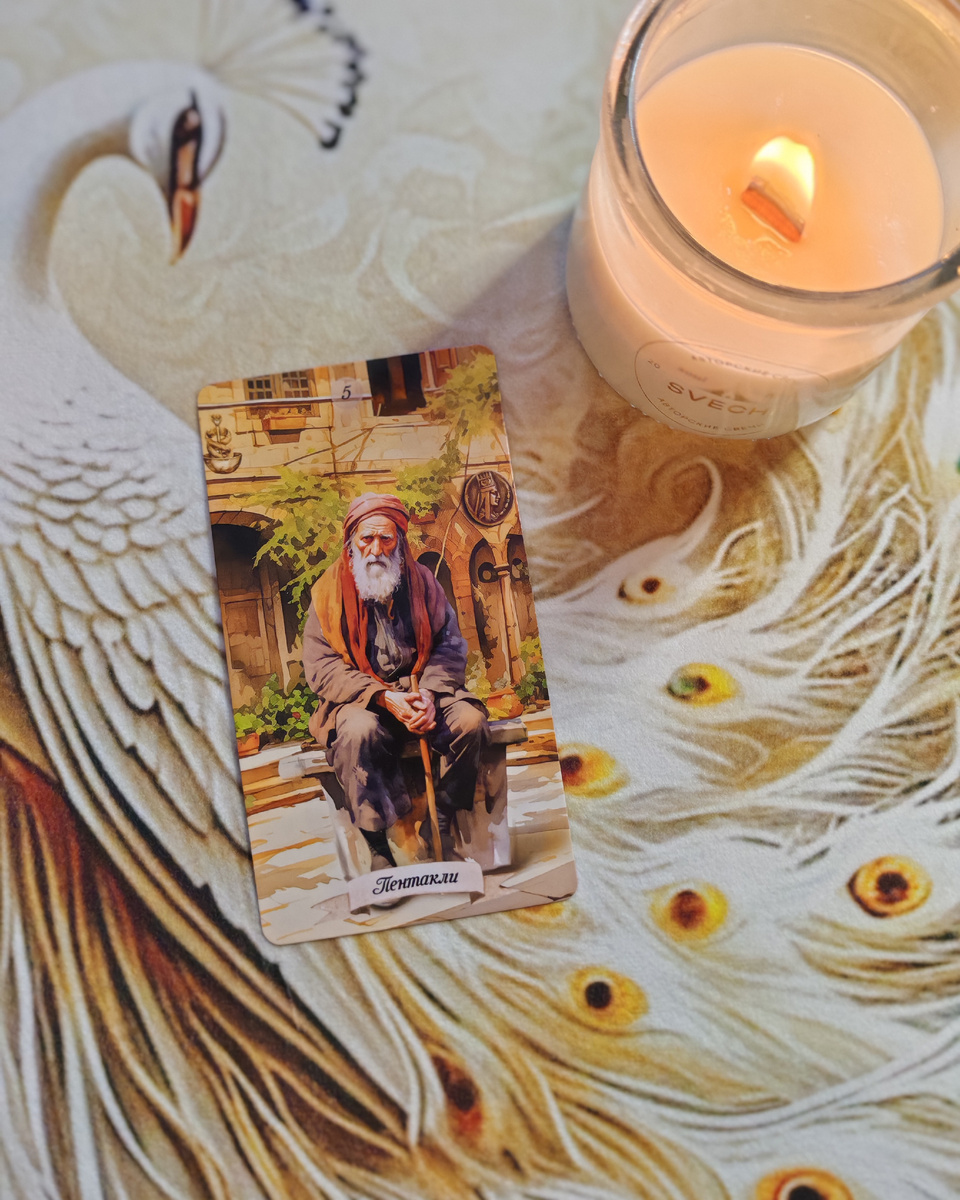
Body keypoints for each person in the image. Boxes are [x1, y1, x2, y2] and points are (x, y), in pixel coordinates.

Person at [302, 493, 489, 870]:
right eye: (366, 539)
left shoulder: (422, 583)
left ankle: (441, 823)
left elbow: (451, 645)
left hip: (423, 693)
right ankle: (378, 849)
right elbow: (322, 668)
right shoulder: (327, 594)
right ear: (351, 542)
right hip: (363, 701)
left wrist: (431, 694)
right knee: (358, 732)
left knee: (471, 723)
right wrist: (383, 697)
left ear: (400, 542)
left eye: (385, 539)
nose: (376, 550)